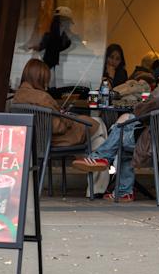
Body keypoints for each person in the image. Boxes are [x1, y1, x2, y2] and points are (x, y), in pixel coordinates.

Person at [74, 62, 159, 202]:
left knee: (119, 131)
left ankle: (102, 158)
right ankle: (121, 189)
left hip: (156, 144)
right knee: (126, 127)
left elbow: (139, 112)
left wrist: (151, 96)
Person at [14, 59, 109, 195]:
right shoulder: (42, 97)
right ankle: (98, 188)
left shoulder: (19, 95)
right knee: (99, 127)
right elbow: (58, 127)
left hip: (35, 141)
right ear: (40, 78)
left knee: (98, 140)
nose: (47, 83)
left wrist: (58, 114)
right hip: (54, 140)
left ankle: (94, 171)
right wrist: (66, 117)